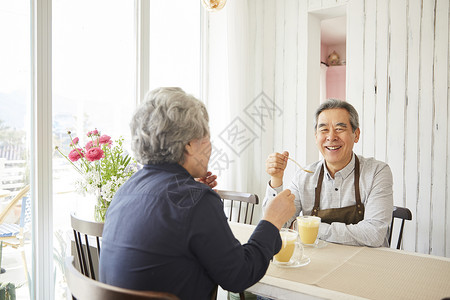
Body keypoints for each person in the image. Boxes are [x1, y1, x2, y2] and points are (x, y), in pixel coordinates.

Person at [99, 87, 296, 300]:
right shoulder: (195, 199)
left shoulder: (126, 191)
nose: (211, 146)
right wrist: (272, 221)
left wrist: (192, 191)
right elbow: (239, 276)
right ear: (190, 145)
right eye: (207, 137)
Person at [263, 99, 393, 247]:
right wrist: (276, 179)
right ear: (316, 136)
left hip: (368, 264)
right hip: (319, 261)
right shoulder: (304, 176)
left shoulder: (377, 172)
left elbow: (373, 234)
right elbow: (277, 224)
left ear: (356, 134)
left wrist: (302, 226)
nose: (331, 137)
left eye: (339, 128)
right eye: (324, 129)